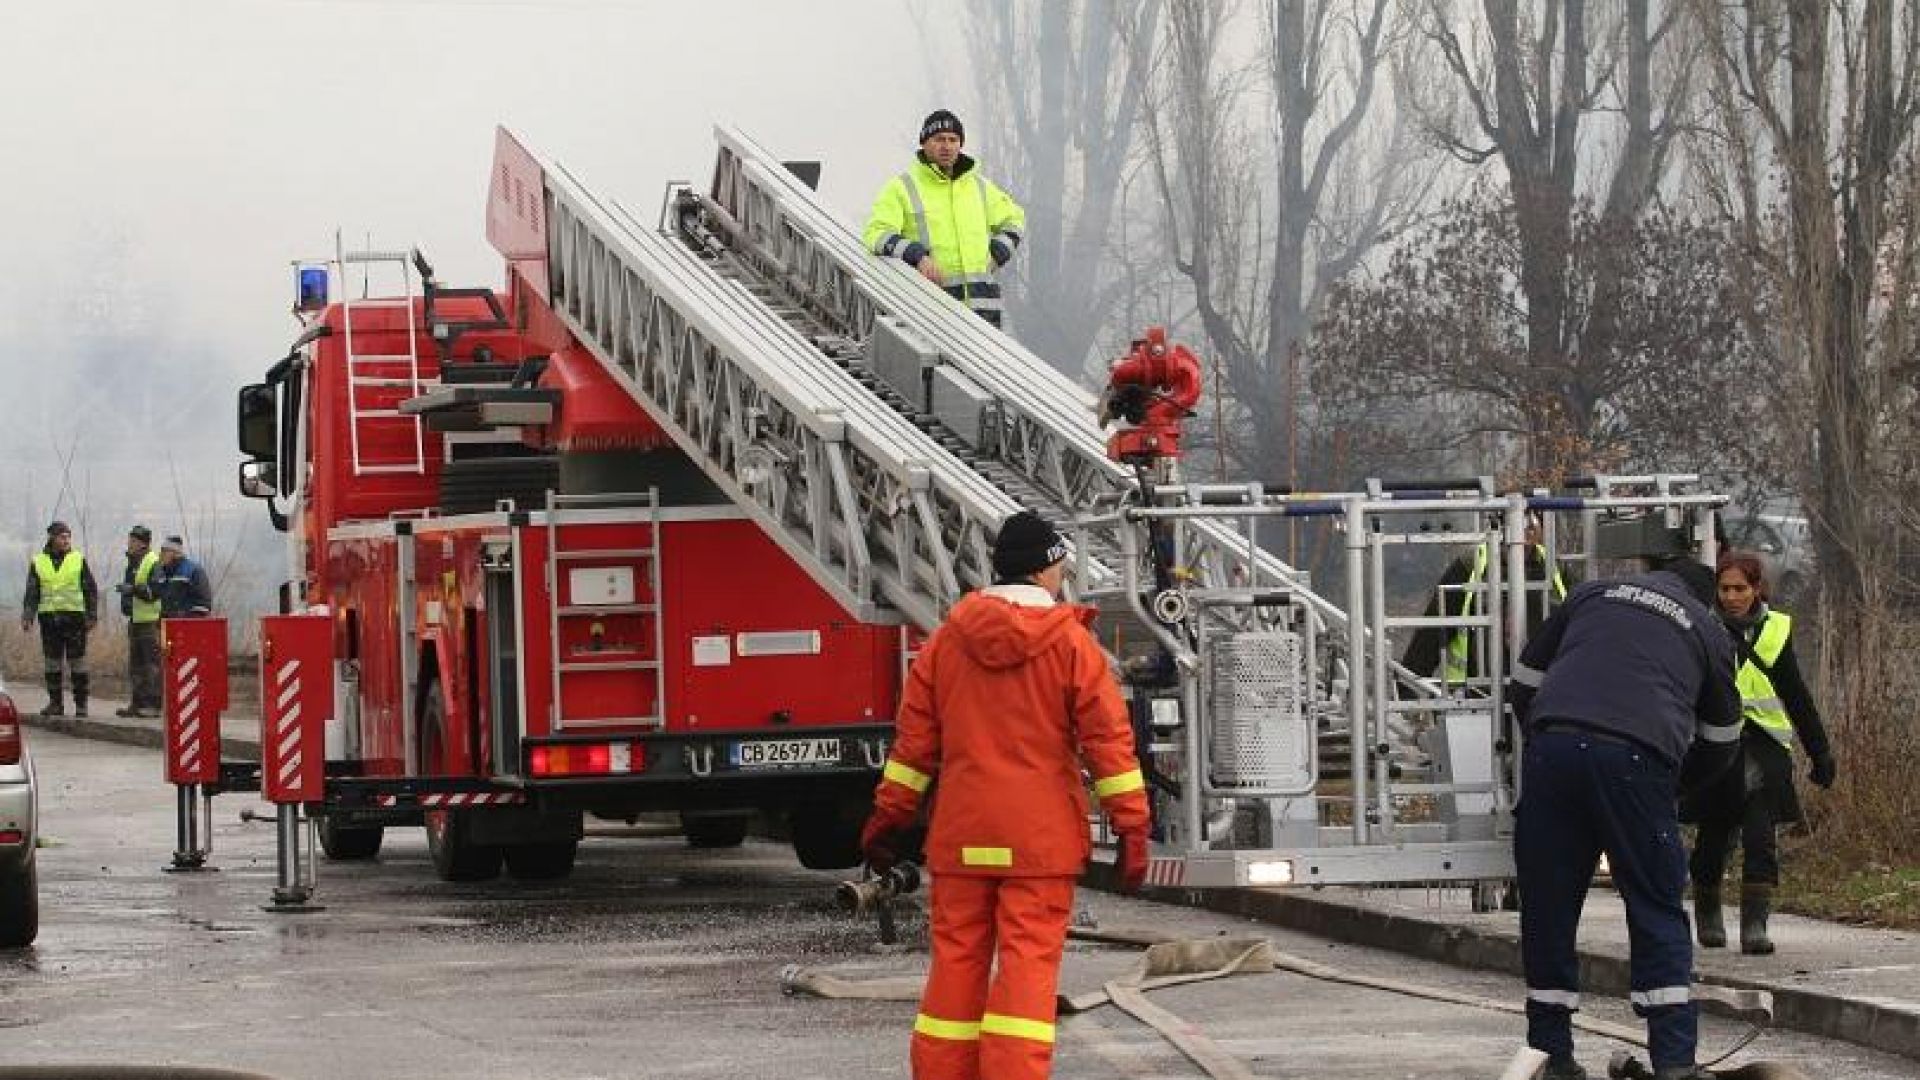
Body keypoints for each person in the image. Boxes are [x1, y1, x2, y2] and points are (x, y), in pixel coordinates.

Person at [860, 509, 1150, 1080]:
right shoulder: (1072, 645)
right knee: (1026, 972)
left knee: (955, 970)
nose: (1063, 577)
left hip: (963, 836)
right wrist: (1132, 826)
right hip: (1039, 842)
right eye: (1061, 568)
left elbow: (913, 748)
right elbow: (1109, 746)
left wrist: (887, 818)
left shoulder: (944, 644)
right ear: (1044, 571)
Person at [1506, 559, 1743, 1080]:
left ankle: (1550, 1055)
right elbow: (1724, 739)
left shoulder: (1592, 594)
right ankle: (1675, 1062)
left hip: (1553, 749)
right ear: (1703, 598)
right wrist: (1672, 788)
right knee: (1655, 906)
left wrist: (1552, 744)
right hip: (1638, 761)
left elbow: (1523, 683)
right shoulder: (1705, 628)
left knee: (1548, 907)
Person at [1683, 550, 1835, 956]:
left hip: (1765, 745)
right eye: (1725, 588)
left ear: (1757, 589)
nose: (1732, 596)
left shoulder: (1775, 631)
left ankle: (1755, 924)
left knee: (1760, 836)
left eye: (1740, 588)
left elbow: (1797, 697)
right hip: (1718, 744)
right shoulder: (1701, 629)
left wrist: (1820, 754)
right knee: (1714, 835)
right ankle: (1709, 910)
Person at [863, 110, 1027, 328]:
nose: (947, 146)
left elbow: (1015, 219)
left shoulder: (979, 186)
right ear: (924, 143)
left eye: (953, 139)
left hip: (983, 313)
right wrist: (917, 256)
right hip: (929, 311)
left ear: (961, 144)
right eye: (939, 139)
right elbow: (877, 234)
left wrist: (997, 252)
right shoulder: (901, 188)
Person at [1403, 513, 1568, 686]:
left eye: (1530, 524)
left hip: (1542, 691)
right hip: (1479, 695)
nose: (1526, 535)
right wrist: (1407, 691)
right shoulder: (1471, 566)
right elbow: (1429, 638)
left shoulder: (1554, 569)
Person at [19, 521, 100, 717]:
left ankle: (81, 705)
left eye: (68, 536)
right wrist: (28, 615)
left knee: (78, 663)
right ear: (52, 538)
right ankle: (55, 704)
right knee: (52, 663)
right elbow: (32, 592)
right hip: (49, 621)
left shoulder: (77, 559)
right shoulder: (38, 561)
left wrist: (91, 615)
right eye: (62, 536)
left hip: (74, 620)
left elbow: (90, 589)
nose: (66, 540)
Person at [114, 525, 164, 718]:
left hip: (150, 622)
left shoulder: (153, 562)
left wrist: (132, 590)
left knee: (151, 665)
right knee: (136, 665)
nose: (129, 544)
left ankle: (152, 705)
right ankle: (137, 703)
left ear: (142, 543)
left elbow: (154, 592)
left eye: (132, 541)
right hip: (135, 620)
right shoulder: (133, 563)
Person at [152, 536, 213, 618]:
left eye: (164, 551)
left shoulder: (193, 571)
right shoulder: (164, 572)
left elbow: (203, 606)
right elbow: (158, 595)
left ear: (175, 553)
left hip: (187, 625)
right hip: (169, 624)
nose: (160, 554)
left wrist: (183, 617)